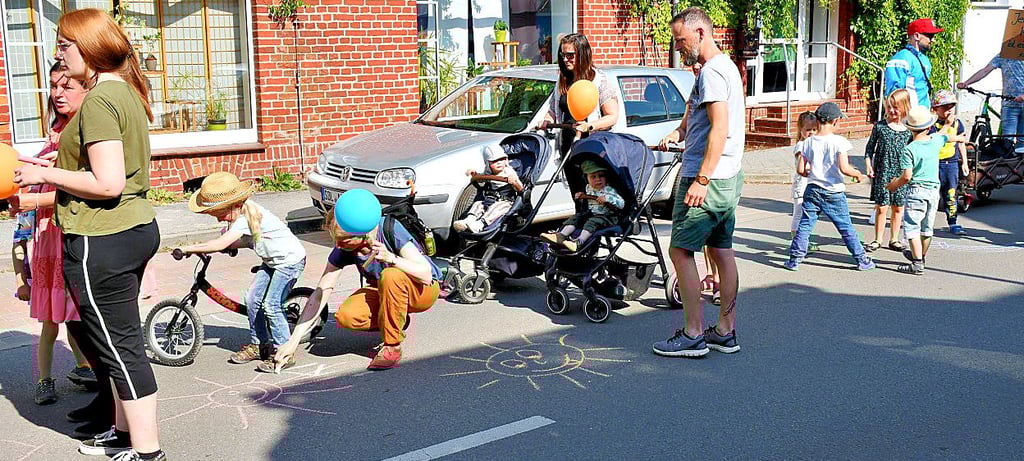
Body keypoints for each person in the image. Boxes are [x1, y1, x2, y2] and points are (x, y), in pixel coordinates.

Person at [13, 9, 164, 460]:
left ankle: (147, 450)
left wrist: (46, 173)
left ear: (91, 49)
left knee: (120, 350)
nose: (58, 53)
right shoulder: (125, 92)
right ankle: (121, 435)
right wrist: (48, 168)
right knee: (118, 342)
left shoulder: (98, 101)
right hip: (132, 228)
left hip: (103, 236)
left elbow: (107, 182)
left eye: (64, 46)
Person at [652, 8, 745, 358]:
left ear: (702, 33)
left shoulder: (712, 73)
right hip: (729, 175)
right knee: (722, 251)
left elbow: (720, 128)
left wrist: (701, 179)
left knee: (680, 250)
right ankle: (725, 330)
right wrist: (678, 132)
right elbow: (701, 121)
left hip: (708, 177)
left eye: (682, 40)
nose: (679, 47)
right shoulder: (724, 69)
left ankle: (693, 334)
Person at [8, 63, 96, 406]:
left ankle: (85, 366)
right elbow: (20, 234)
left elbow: (80, 189)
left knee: (74, 314)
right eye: (53, 87)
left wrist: (33, 197)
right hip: (48, 238)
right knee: (50, 319)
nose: (57, 93)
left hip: (67, 233)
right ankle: (46, 379)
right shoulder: (56, 134)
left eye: (66, 86)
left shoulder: (85, 131)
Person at [276, 189, 442, 370]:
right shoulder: (345, 247)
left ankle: (392, 347)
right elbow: (319, 294)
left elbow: (425, 274)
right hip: (385, 290)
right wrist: (293, 342)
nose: (338, 245)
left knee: (391, 274)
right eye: (335, 239)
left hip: (421, 289)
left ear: (363, 235)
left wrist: (392, 259)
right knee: (347, 316)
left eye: (343, 241)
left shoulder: (390, 229)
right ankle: (394, 318)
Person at [179, 172, 307, 372]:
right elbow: (246, 240)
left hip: (289, 262)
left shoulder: (245, 217)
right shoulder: (244, 213)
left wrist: (189, 248)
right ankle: (260, 345)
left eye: (218, 214)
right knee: (252, 299)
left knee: (271, 305)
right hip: (272, 261)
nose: (219, 219)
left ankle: (285, 351)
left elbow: (219, 243)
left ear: (232, 205)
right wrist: (229, 245)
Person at [784, 102, 875, 272]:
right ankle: (862, 259)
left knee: (805, 224)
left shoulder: (808, 142)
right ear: (834, 121)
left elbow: (801, 169)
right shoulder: (839, 142)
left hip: (812, 189)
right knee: (845, 226)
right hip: (833, 191)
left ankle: (795, 259)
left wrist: (809, 175)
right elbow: (844, 168)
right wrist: (857, 174)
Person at [887, 106, 948, 275]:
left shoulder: (909, 149)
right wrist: (949, 124)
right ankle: (921, 255)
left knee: (912, 228)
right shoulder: (935, 141)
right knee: (927, 228)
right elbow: (944, 135)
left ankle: (917, 263)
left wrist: (894, 185)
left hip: (917, 191)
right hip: (933, 191)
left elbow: (907, 176)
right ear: (929, 126)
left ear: (909, 128)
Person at [540, 33, 620, 155]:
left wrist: (590, 126)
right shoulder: (562, 81)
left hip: (593, 149)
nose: (565, 59)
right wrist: (546, 120)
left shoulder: (599, 81)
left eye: (570, 55)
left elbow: (612, 116)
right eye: (563, 55)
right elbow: (553, 110)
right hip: (568, 147)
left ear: (583, 54)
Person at [864, 89, 914, 252]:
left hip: (901, 173)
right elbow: (869, 148)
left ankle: (894, 239)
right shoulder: (880, 127)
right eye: (889, 107)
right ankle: (878, 239)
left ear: (905, 107)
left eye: (896, 107)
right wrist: (868, 165)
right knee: (882, 207)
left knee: (898, 207)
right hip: (883, 171)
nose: (892, 111)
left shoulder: (909, 130)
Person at [540, 160, 624, 252]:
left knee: (592, 221)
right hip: (592, 214)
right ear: (586, 178)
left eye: (601, 176)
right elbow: (586, 196)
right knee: (576, 217)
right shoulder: (588, 187)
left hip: (607, 216)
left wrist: (608, 199)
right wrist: (580, 195)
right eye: (593, 177)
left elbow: (621, 203)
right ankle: (561, 235)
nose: (598, 179)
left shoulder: (609, 189)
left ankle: (579, 242)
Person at [958, 55, 1024, 153]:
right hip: (1009, 104)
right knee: (1007, 142)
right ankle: (1007, 165)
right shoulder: (1003, 54)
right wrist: (966, 83)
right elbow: (985, 71)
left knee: (1022, 142)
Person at [452, 143, 523, 233]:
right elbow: (480, 179)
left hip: (505, 201)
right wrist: (474, 174)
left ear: (506, 160)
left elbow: (520, 188)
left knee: (495, 209)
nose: (499, 163)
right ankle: (468, 220)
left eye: (502, 159)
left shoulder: (509, 172)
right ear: (488, 163)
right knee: (478, 205)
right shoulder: (488, 172)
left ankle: (480, 224)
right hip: (489, 199)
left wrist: (514, 181)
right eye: (494, 161)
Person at [927, 90, 970, 236]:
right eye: (944, 107)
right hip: (934, 162)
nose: (949, 110)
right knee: (932, 195)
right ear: (935, 109)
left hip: (951, 163)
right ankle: (927, 223)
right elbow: (935, 138)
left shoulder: (957, 123)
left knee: (950, 194)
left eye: (951, 106)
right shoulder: (931, 124)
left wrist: (964, 162)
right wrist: (954, 135)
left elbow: (962, 143)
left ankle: (953, 222)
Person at [885, 18, 944, 108]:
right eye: (930, 36)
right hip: (909, 117)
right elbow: (893, 96)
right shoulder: (901, 59)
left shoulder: (924, 59)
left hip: (924, 115)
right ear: (917, 36)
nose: (933, 40)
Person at [790, 111, 820, 253]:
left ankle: (802, 241)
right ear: (801, 130)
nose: (811, 133)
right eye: (808, 130)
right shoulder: (801, 145)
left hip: (808, 185)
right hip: (801, 186)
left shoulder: (812, 144)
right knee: (799, 214)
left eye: (814, 129)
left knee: (806, 215)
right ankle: (797, 242)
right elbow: (803, 165)